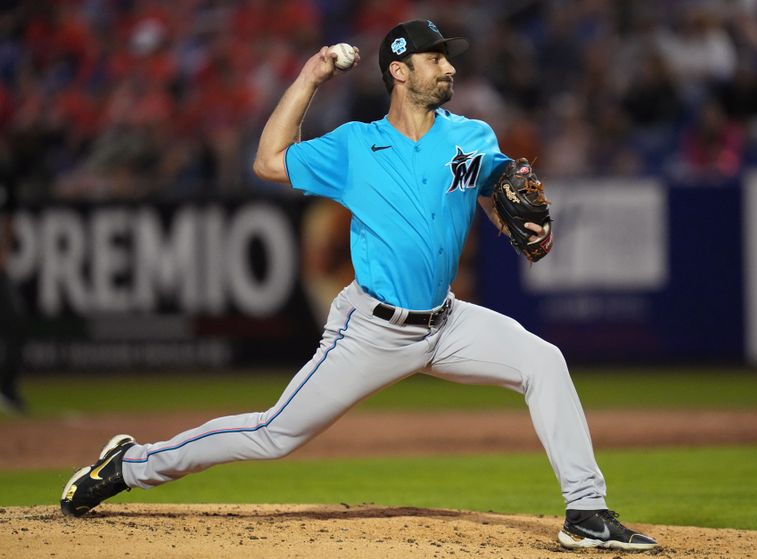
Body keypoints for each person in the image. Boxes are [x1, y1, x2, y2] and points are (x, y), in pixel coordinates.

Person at [60, 20, 658, 551]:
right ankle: (130, 464)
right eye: (435, 58)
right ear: (399, 71)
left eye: (449, 57)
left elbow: (496, 198)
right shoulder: (354, 145)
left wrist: (516, 223)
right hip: (370, 330)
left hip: (447, 322)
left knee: (544, 362)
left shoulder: (472, 137)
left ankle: (586, 513)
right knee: (274, 435)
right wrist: (310, 76)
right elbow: (268, 162)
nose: (449, 66)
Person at [0, 157, 27, 415]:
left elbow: (9, 216)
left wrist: (4, 251)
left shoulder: (5, 171)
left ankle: (6, 389)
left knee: (15, 323)